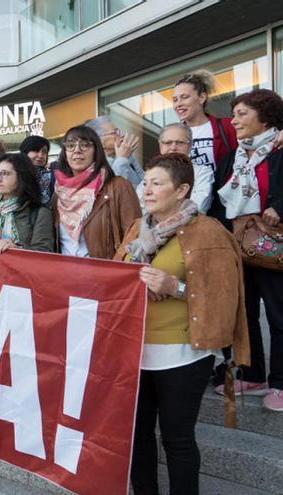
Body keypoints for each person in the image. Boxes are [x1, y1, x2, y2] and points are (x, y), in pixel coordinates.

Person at [114, 153, 249, 494]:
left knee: (177, 439)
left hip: (184, 354)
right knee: (138, 435)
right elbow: (112, 277)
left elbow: (224, 297)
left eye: (157, 183)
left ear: (182, 190)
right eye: (145, 182)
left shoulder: (209, 232)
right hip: (135, 351)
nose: (146, 190)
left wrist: (175, 288)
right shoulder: (136, 227)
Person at [211, 88, 283, 411]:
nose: (234, 120)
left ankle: (280, 383)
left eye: (242, 114)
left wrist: (280, 208)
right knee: (245, 313)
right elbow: (218, 201)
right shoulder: (233, 158)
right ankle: (253, 375)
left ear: (265, 116)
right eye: (234, 114)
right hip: (238, 246)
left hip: (272, 246)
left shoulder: (280, 149)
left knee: (279, 315)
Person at [54, 125, 141, 260]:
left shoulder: (118, 186)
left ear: (96, 151)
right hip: (65, 275)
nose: (77, 150)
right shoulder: (59, 193)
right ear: (65, 153)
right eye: (71, 145)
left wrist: (114, 267)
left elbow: (135, 235)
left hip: (104, 275)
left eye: (85, 145)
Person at [86, 116, 144, 189]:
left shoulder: (124, 157)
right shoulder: (95, 168)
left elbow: (144, 182)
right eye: (115, 132)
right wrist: (121, 159)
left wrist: (129, 157)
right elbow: (115, 190)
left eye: (118, 131)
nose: (121, 135)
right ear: (100, 142)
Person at [20, 135, 54, 207]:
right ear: (25, 152)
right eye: (36, 150)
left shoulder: (52, 176)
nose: (41, 155)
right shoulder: (15, 175)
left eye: (44, 152)